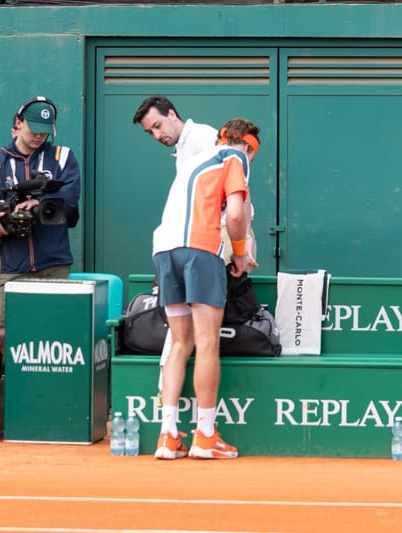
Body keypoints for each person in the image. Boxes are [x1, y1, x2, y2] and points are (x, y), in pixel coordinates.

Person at [150, 118, 260, 460]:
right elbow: (235, 217)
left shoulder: (193, 161)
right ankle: (206, 435)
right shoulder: (235, 157)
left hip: (164, 250)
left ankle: (168, 436)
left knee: (181, 342)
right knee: (207, 342)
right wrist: (240, 255)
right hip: (200, 249)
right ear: (247, 146)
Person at [0, 96, 81, 371]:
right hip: (10, 264)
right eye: (33, 127)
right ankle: (8, 390)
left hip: (54, 263)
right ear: (18, 122)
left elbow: (71, 196)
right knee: (4, 330)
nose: (39, 135)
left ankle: (49, 391)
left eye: (45, 130)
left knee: (57, 332)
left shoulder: (63, 157)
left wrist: (42, 202)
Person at [133, 95, 258, 271]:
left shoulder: (202, 137)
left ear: (171, 114)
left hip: (223, 231)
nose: (156, 135)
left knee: (222, 295)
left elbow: (239, 186)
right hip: (204, 236)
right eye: (150, 132)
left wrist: (245, 240)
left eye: (157, 126)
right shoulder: (185, 147)